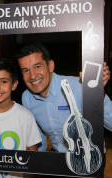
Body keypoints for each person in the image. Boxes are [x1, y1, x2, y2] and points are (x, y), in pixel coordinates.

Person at [15, 42, 112, 176]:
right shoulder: (27, 98)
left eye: (37, 67)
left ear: (50, 66)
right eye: (26, 70)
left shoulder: (78, 86)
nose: (32, 76)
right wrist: (38, 164)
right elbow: (38, 137)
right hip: (57, 161)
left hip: (89, 160)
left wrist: (97, 94)